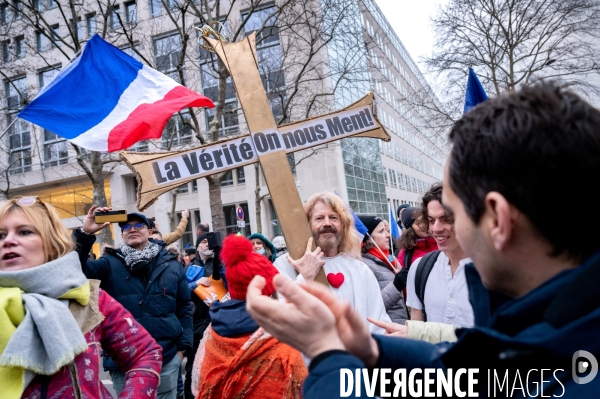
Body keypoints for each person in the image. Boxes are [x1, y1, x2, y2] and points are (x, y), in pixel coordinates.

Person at [245, 82, 600, 397]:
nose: (446, 231)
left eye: (455, 215)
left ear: (498, 220)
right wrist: (374, 351)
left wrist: (325, 353)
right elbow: (481, 371)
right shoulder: (557, 330)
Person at [0, 197, 162, 399]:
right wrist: (85, 235)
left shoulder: (88, 298)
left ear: (51, 243)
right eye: (1, 235)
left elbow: (145, 352)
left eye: (25, 232)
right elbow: (83, 268)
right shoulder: (110, 261)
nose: (8, 241)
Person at [73, 208, 193, 399]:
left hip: (167, 358)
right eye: (126, 227)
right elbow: (74, 273)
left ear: (149, 230)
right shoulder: (109, 263)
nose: (132, 229)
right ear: (121, 234)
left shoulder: (171, 264)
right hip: (123, 362)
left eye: (138, 225)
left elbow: (185, 308)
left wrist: (182, 350)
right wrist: (85, 234)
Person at [191, 234, 307, 399]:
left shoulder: (211, 334)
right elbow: (301, 390)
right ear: (270, 290)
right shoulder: (284, 346)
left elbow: (198, 387)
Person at [273, 191, 390, 333]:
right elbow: (279, 319)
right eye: (319, 218)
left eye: (333, 218)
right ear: (307, 225)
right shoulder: (286, 264)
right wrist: (305, 277)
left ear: (343, 225)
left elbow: (378, 324)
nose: (327, 223)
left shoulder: (359, 269)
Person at [406, 183, 474, 328]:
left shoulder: (493, 272)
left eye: (446, 219)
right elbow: (416, 331)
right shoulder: (420, 268)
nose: (436, 229)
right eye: (431, 220)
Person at [182, 232, 226, 399]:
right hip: (195, 325)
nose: (207, 245)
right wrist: (195, 284)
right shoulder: (188, 267)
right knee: (193, 368)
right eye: (204, 242)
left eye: (210, 242)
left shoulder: (220, 265)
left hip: (217, 324)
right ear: (198, 246)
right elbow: (180, 293)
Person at [358, 215, 408, 324]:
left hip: (400, 326)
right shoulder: (364, 265)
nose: (388, 235)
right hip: (387, 331)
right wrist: (396, 286)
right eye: (381, 231)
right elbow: (371, 307)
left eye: (386, 230)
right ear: (368, 239)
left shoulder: (389, 260)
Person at [395, 206, 438, 298]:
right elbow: (406, 287)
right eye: (419, 223)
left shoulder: (442, 243)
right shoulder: (406, 253)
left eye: (426, 220)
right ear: (410, 229)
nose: (424, 225)